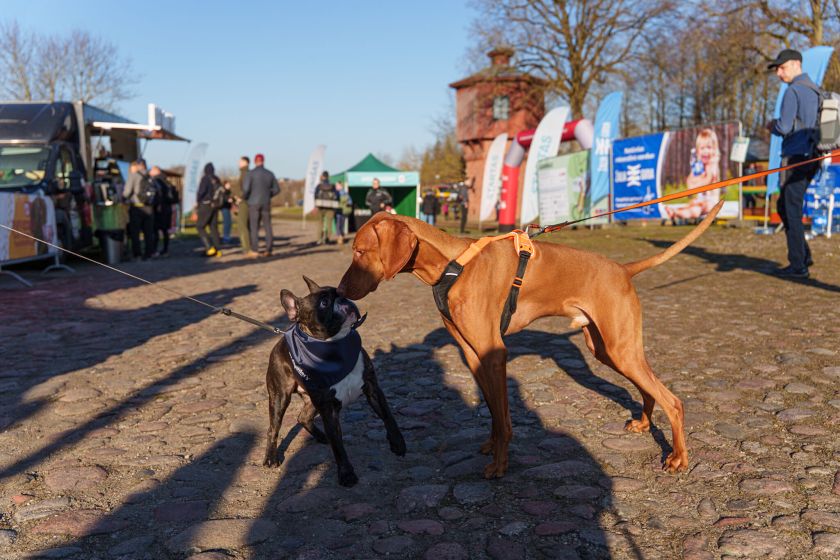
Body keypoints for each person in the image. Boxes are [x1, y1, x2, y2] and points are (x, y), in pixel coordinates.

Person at [767, 48, 820, 278]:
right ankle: (802, 256)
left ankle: (799, 265)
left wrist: (772, 126)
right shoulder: (815, 90)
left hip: (795, 157)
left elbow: (785, 127)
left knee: (790, 207)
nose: (779, 73)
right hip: (813, 156)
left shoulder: (793, 91)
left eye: (782, 67)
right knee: (786, 206)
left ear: (796, 64)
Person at [664, 128, 722, 221]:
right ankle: (675, 212)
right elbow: (689, 182)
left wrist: (696, 183)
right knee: (692, 205)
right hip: (700, 200)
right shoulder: (699, 166)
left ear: (714, 149)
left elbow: (706, 183)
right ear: (698, 151)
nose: (705, 151)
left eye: (709, 147)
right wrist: (696, 183)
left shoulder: (712, 164)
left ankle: (676, 213)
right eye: (702, 148)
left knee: (696, 210)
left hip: (711, 202)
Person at [242, 153, 279, 257]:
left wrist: (245, 197)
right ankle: (269, 249)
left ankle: (255, 250)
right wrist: (268, 194)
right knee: (267, 226)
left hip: (253, 203)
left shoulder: (250, 174)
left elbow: (246, 189)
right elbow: (277, 189)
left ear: (255, 161)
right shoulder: (270, 174)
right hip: (266, 202)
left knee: (254, 226)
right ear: (263, 161)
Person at [122, 159, 155, 260]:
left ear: (138, 165)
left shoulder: (134, 175)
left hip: (137, 207)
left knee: (135, 232)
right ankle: (149, 253)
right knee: (148, 232)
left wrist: (123, 198)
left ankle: (137, 254)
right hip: (149, 207)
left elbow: (127, 192)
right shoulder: (151, 176)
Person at [196, 162, 223, 257]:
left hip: (206, 204)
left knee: (200, 226)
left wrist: (198, 201)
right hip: (215, 205)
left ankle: (209, 247)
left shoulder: (205, 179)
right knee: (213, 227)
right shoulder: (217, 179)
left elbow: (201, 192)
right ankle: (218, 249)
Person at [150, 166, 177, 257]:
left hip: (159, 209)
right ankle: (165, 249)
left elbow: (157, 196)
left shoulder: (156, 181)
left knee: (155, 230)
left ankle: (154, 249)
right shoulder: (167, 182)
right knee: (165, 230)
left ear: (155, 172)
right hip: (168, 208)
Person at [231, 156, 252, 254]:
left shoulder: (245, 173)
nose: (239, 163)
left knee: (242, 225)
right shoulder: (246, 173)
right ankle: (249, 247)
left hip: (243, 202)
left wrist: (239, 197)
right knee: (247, 225)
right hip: (246, 201)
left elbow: (246, 188)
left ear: (246, 163)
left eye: (241, 161)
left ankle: (246, 248)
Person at [314, 170, 338, 245]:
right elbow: (337, 196)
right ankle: (327, 239)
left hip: (320, 207)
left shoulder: (319, 186)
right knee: (329, 224)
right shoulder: (332, 186)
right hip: (330, 207)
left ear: (323, 177)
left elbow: (315, 195)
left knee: (320, 223)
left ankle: (319, 239)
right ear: (328, 177)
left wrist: (316, 205)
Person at [220, 180, 234, 244]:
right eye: (228, 184)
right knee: (226, 222)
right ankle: (225, 237)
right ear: (225, 185)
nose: (229, 185)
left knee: (229, 222)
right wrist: (228, 199)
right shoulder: (223, 191)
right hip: (224, 208)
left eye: (229, 184)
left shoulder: (229, 191)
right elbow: (224, 198)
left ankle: (227, 236)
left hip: (228, 208)